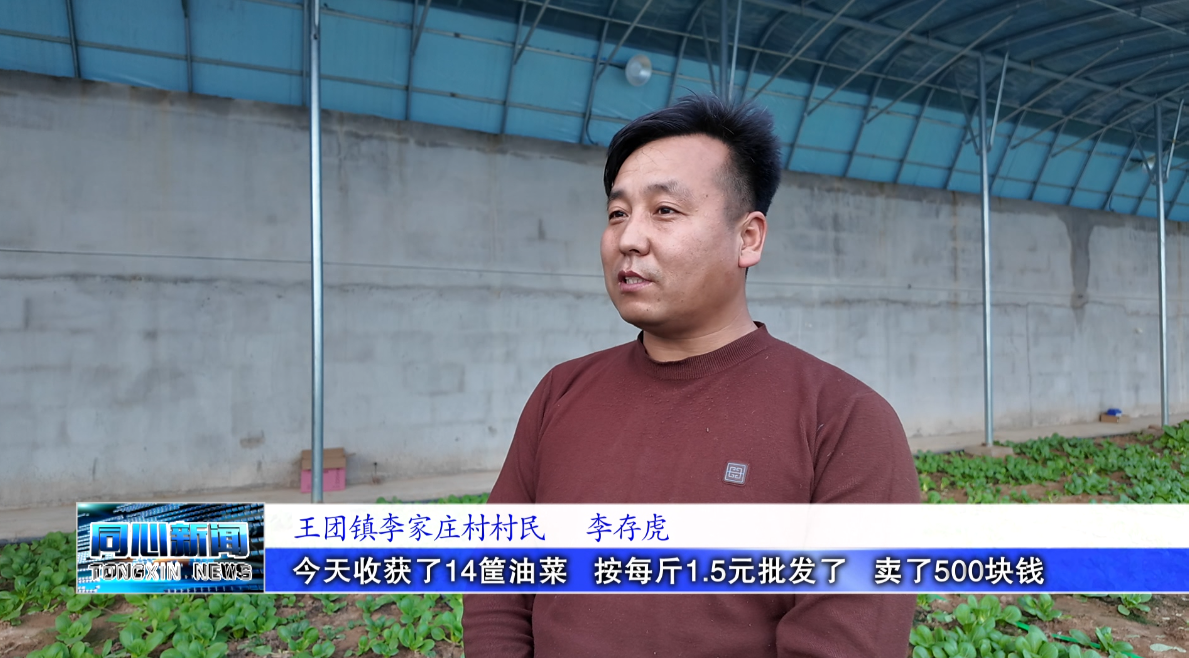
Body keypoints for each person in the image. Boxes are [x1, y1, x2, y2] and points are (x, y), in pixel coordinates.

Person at [462, 93, 919, 657]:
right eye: (617, 213)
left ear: (748, 238)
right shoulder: (561, 392)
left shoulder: (845, 422)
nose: (629, 239)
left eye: (665, 210)